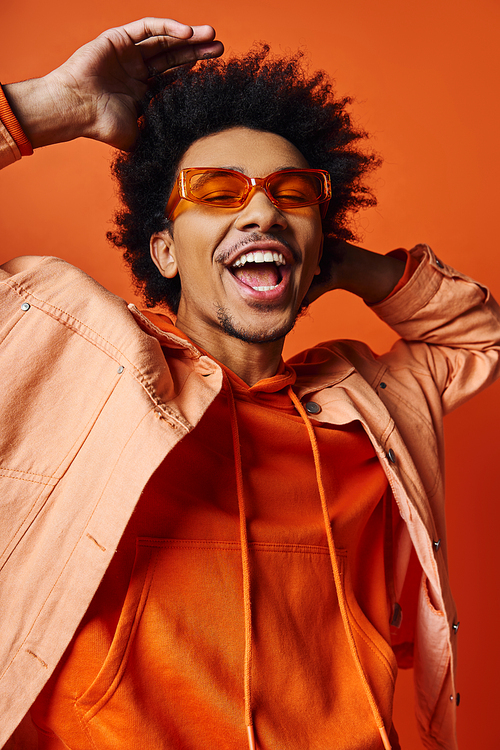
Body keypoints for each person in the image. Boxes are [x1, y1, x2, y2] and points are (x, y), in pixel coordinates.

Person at [0, 17, 498, 750]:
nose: (263, 208)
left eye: (293, 193)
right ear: (163, 250)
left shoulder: (367, 406)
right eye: (218, 192)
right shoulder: (67, 344)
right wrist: (52, 105)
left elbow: (479, 333)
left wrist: (337, 258)